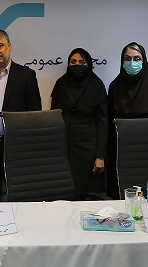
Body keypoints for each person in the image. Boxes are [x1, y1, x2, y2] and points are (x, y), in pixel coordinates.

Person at [0, 29, 41, 201]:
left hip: (16, 148)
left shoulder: (26, 75)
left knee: (20, 200)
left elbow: (34, 115)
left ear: (9, 46)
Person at [105, 42, 148, 199]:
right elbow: (109, 124)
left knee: (147, 196)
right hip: (120, 154)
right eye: (127, 59)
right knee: (121, 197)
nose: (132, 63)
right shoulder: (114, 87)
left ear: (144, 61)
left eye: (137, 58)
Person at [50, 48, 108, 198]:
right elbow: (53, 117)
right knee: (62, 192)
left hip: (87, 149)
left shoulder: (97, 85)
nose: (77, 65)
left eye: (82, 62)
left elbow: (102, 122)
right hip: (63, 148)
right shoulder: (61, 84)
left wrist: (100, 156)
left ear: (88, 64)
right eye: (73, 62)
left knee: (83, 194)